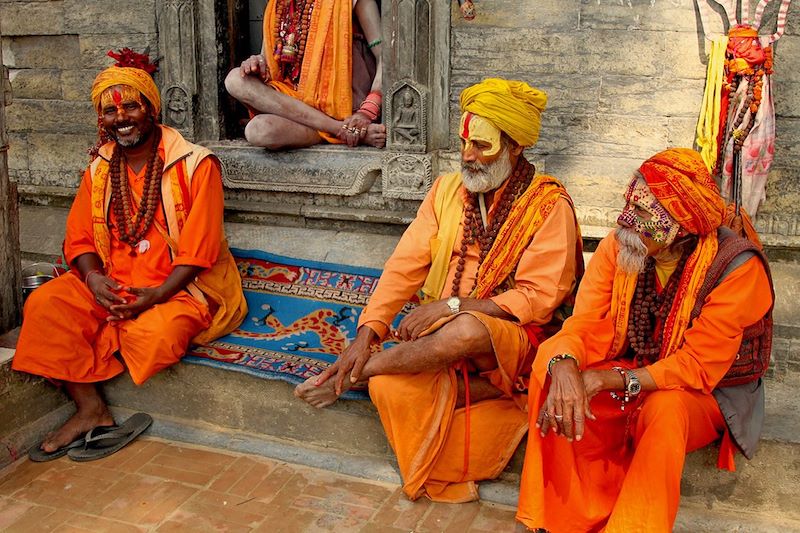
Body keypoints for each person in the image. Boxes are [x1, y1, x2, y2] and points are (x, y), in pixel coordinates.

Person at [295, 78, 583, 503]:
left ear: (515, 146)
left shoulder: (548, 205)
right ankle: (428, 380)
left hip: (508, 339)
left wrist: (452, 306)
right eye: (465, 142)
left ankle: (357, 374)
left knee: (465, 330)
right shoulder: (446, 190)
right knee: (392, 387)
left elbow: (539, 297)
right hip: (439, 337)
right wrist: (367, 333)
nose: (468, 155)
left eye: (482, 146)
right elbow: (404, 266)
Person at [515, 148, 774, 532]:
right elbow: (585, 323)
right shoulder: (620, 245)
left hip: (706, 391)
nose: (624, 222)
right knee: (553, 368)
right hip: (631, 365)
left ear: (681, 227)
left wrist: (610, 379)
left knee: (664, 410)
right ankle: (557, 517)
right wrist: (565, 363)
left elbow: (698, 366)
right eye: (627, 206)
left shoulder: (737, 268)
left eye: (642, 216)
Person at [12, 49, 247, 461]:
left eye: (130, 106)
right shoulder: (99, 168)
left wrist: (153, 297)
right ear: (99, 119)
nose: (120, 118)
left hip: (177, 288)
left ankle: (91, 346)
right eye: (109, 111)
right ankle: (92, 409)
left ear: (150, 108)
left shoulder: (196, 165)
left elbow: (200, 250)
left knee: (155, 335)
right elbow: (79, 239)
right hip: (110, 283)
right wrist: (93, 280)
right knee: (45, 304)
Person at [224, 0, 386, 149]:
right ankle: (341, 131)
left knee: (259, 129)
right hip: (292, 103)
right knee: (235, 80)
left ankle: (343, 128)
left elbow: (385, 58)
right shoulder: (278, 5)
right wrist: (255, 63)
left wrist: (367, 110)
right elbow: (267, 61)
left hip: (339, 110)